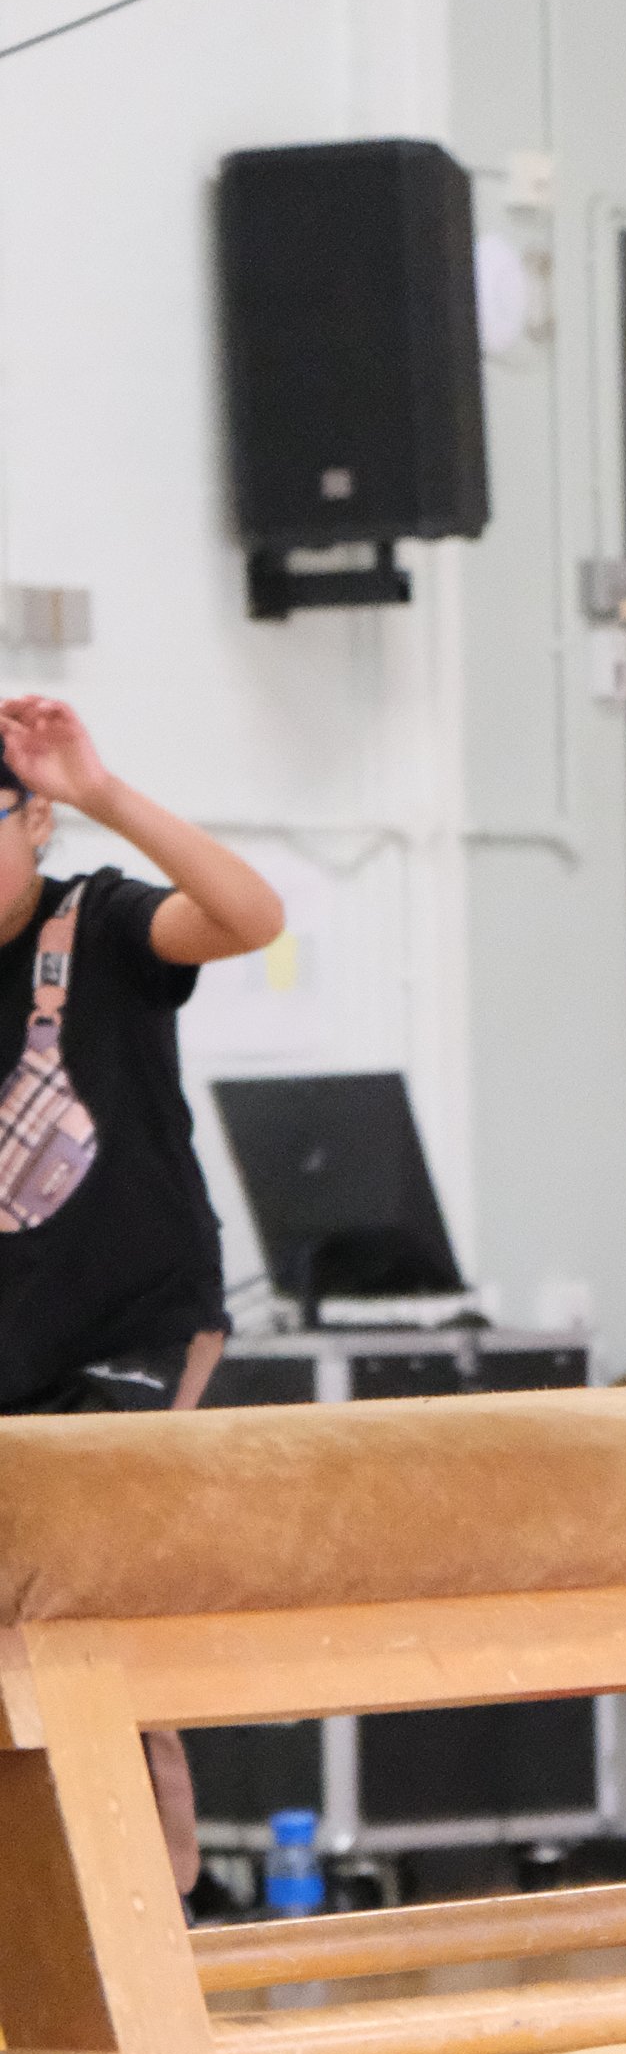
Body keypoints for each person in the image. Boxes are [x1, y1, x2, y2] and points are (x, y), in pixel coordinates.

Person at [0, 695, 286, 1894]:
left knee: (78, 1586)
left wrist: (106, 791)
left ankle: (154, 1891)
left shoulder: (99, 923)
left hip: (135, 1322)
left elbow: (250, 916)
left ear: (35, 821)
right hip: (14, 1344)